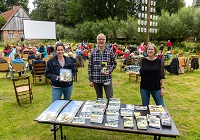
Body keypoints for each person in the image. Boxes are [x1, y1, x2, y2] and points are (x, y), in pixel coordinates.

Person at [88, 33, 117, 99]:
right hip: (96, 79)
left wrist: (109, 71)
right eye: (99, 39)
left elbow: (114, 63)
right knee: (99, 98)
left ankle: (109, 109)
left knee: (109, 97)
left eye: (103, 39)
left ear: (105, 41)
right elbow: (90, 67)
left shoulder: (110, 51)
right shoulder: (93, 52)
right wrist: (90, 80)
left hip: (107, 78)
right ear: (97, 40)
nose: (101, 41)